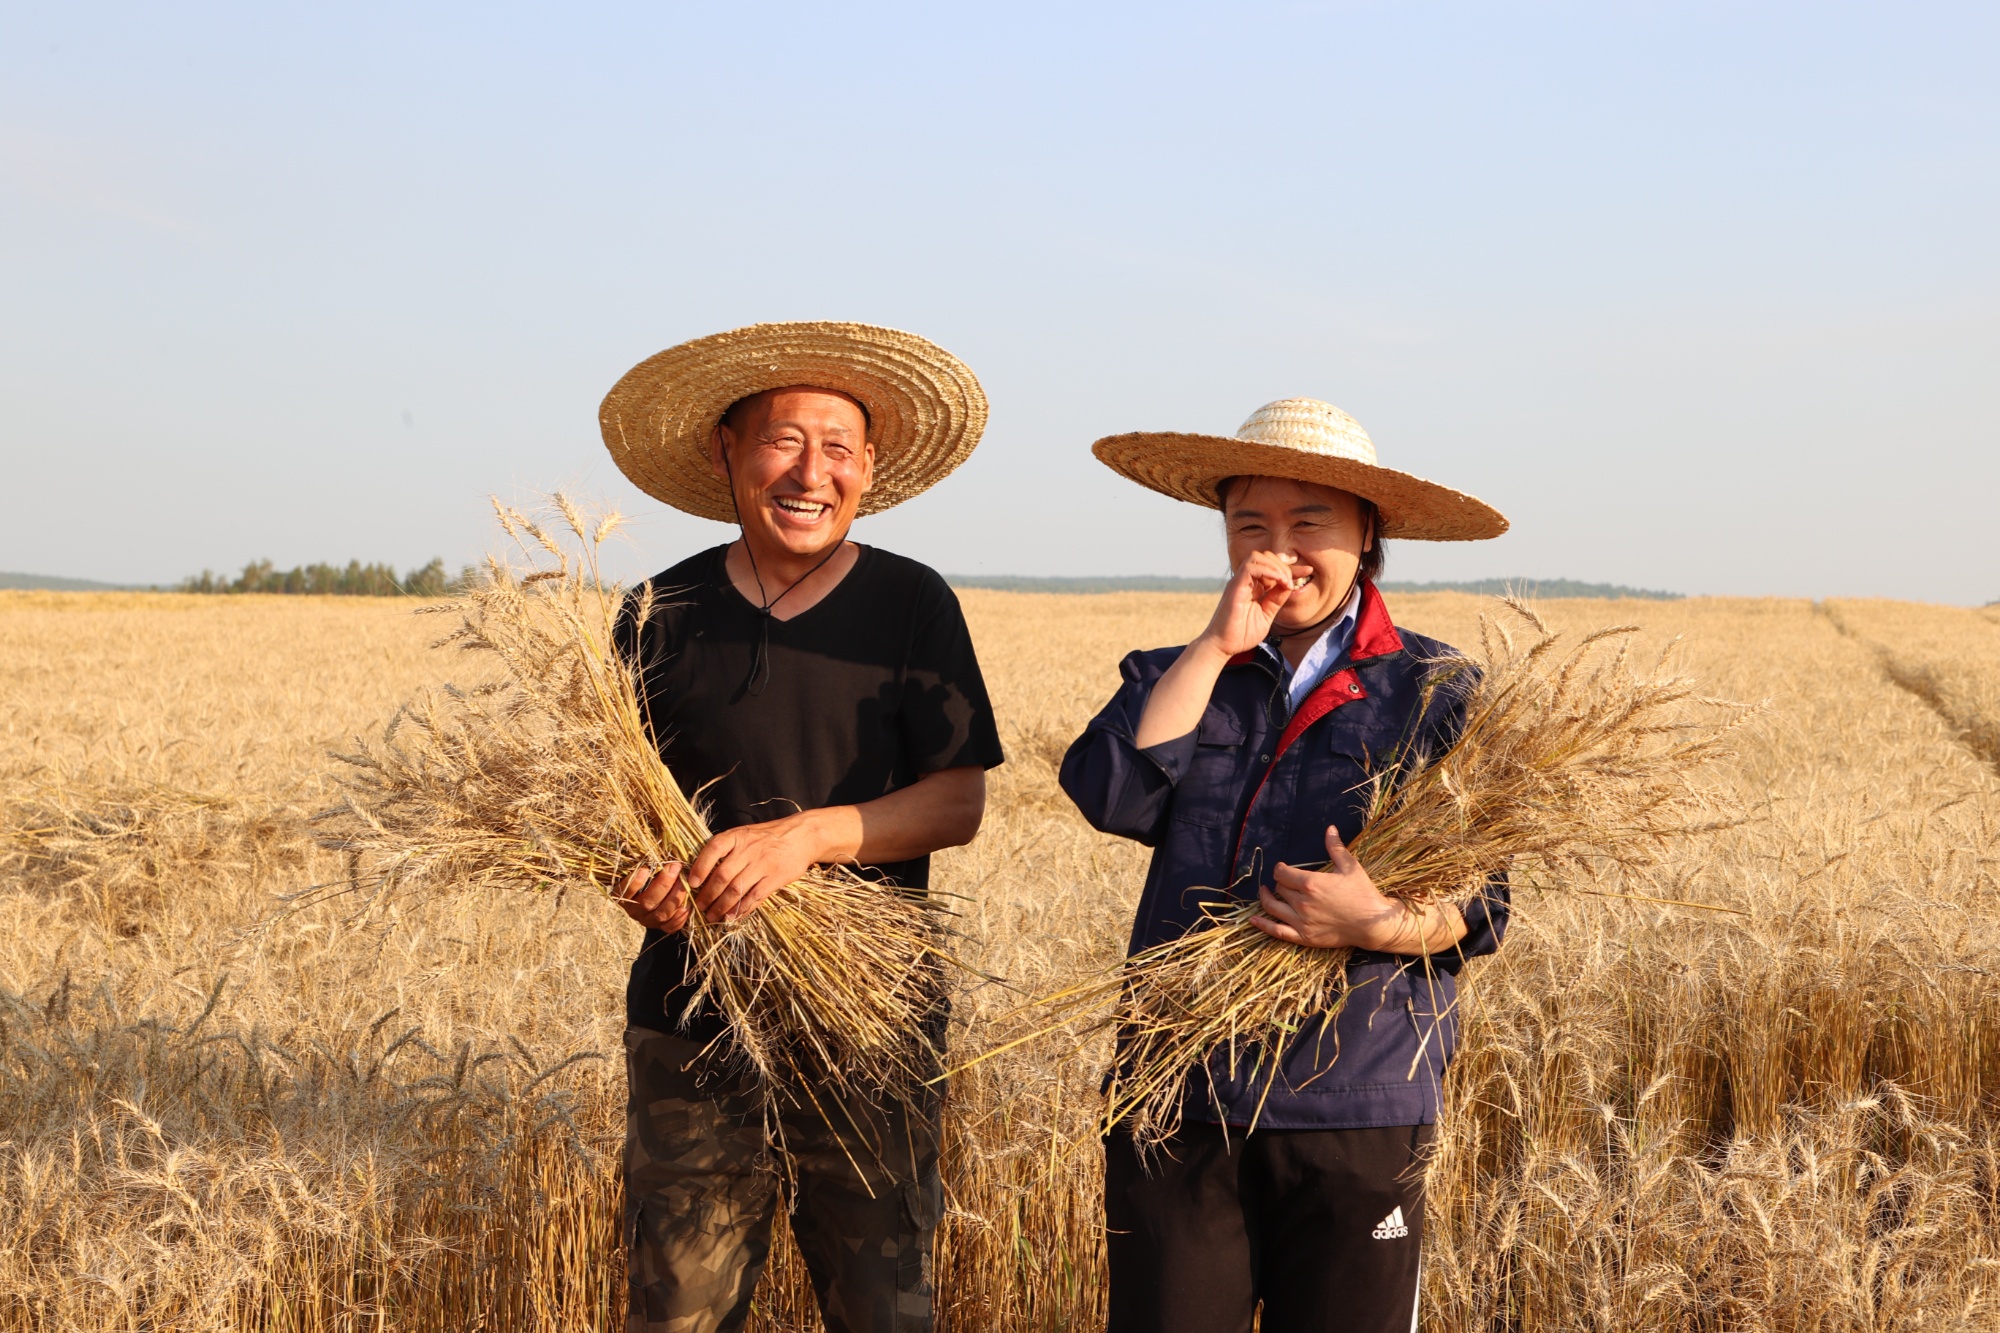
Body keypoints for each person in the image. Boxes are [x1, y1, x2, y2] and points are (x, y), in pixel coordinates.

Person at [1059, 398, 1512, 1333]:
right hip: (1177, 1094)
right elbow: (1112, 795)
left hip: (1357, 1098)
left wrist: (1374, 925)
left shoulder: (1436, 691)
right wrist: (1217, 646)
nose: (1280, 550)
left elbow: (1483, 903)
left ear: (1369, 534)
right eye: (1250, 525)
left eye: (1311, 523)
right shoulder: (1173, 671)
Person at [596, 322, 1006, 1333]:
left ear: (869, 465)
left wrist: (804, 840)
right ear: (723, 451)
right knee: (678, 1310)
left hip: (869, 1025)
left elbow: (956, 802)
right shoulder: (657, 610)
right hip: (690, 1016)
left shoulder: (912, 605)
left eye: (836, 445)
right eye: (783, 439)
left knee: (882, 1307)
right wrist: (634, 875)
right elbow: (608, 810)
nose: (809, 470)